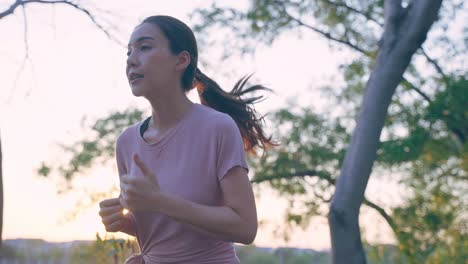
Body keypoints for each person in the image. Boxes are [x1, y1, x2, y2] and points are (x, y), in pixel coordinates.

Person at [98, 15, 276, 264]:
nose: (131, 60)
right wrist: (123, 221)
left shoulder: (217, 127)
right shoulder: (126, 142)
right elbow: (164, 232)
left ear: (181, 60)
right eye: (128, 52)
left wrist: (160, 201)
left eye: (145, 47)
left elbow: (245, 228)